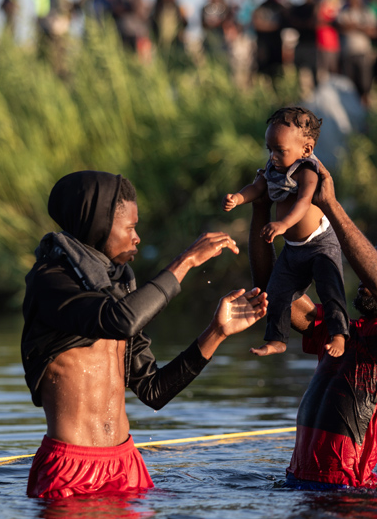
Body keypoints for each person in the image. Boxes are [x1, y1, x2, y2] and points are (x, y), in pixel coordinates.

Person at [22, 171, 268, 499]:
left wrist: (216, 332)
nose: (137, 237)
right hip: (71, 469)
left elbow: (153, 391)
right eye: (129, 227)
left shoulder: (119, 288)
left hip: (126, 465)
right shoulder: (50, 281)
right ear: (97, 225)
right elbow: (119, 321)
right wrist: (184, 262)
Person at [248, 158, 377, 489]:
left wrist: (330, 205)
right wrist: (261, 208)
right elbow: (273, 289)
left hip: (349, 494)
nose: (363, 277)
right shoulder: (339, 331)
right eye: (366, 266)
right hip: (298, 485)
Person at [223, 107, 347, 358]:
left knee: (330, 289)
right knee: (276, 292)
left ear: (306, 149)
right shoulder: (272, 169)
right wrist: (238, 198)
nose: (274, 157)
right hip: (293, 250)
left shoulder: (307, 171)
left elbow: (303, 202)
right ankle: (277, 340)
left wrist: (283, 225)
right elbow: (257, 188)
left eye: (280, 150)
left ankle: (339, 335)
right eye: (270, 150)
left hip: (320, 244)